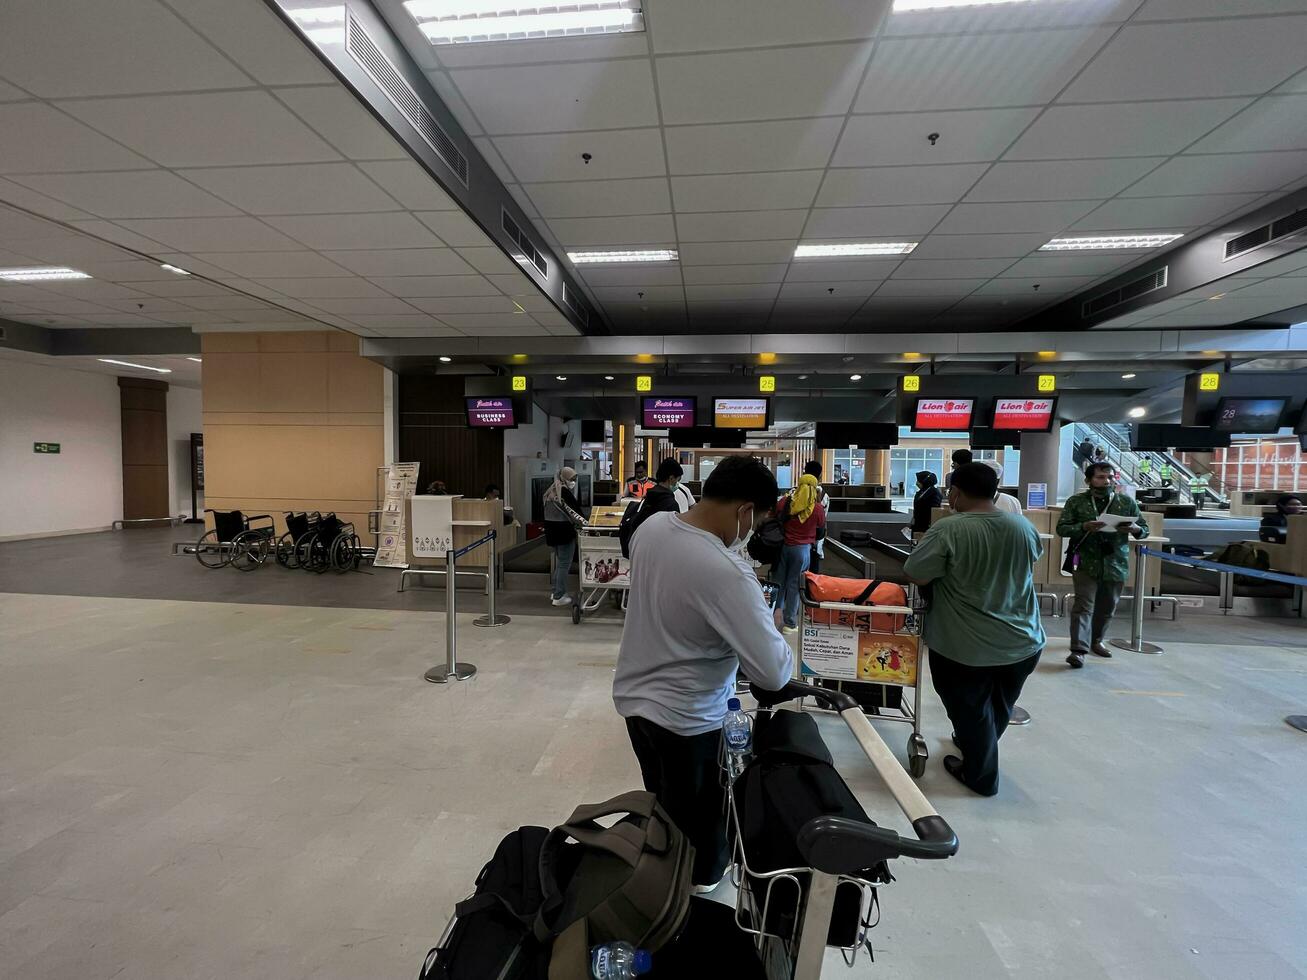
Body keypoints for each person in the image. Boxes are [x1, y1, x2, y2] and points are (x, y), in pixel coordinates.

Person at [613, 456, 794, 889]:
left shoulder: (652, 529)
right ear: (745, 510)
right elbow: (772, 673)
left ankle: (661, 865)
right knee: (700, 824)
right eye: (755, 520)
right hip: (690, 720)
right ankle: (690, 891)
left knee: (662, 800)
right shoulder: (727, 572)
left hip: (637, 704)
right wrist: (766, 624)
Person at [902, 462, 1044, 797]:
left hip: (963, 644)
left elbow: (917, 573)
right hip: (1023, 640)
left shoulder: (949, 529)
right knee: (996, 705)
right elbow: (1031, 559)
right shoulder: (1021, 527)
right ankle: (975, 743)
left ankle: (980, 777)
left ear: (955, 492)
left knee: (968, 707)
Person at [1056, 462, 1146, 669]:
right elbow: (1062, 528)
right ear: (1088, 480)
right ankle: (1078, 650)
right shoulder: (1076, 502)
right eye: (1100, 477)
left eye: (1110, 477)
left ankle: (1096, 640)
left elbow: (1144, 529)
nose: (1106, 481)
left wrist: (1134, 529)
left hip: (1115, 561)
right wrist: (1084, 526)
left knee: (1107, 607)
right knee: (1084, 605)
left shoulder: (1125, 502)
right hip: (1085, 561)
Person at [773, 468, 827, 634]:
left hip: (783, 547)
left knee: (779, 583)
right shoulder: (817, 508)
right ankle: (790, 623)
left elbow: (775, 516)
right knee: (795, 585)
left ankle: (771, 617)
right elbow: (821, 530)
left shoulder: (785, 502)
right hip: (803, 550)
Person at [543, 466, 586, 607]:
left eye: (575, 479)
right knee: (563, 565)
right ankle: (559, 596)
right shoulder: (563, 493)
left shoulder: (550, 491)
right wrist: (587, 525)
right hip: (564, 533)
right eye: (571, 479)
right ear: (564, 478)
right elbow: (575, 513)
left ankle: (555, 591)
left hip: (552, 533)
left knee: (560, 563)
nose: (573, 481)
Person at [801, 460, 829, 573]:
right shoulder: (824, 497)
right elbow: (821, 524)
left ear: (804, 473)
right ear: (820, 476)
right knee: (811, 579)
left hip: (791, 544)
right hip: (813, 546)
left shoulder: (793, 493)